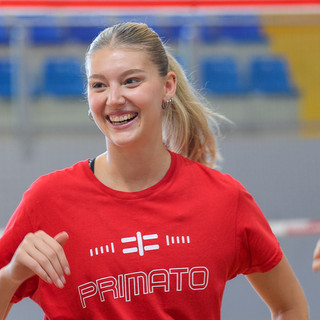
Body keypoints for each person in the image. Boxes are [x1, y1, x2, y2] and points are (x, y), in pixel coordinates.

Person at [0, 22, 309, 320]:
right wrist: (12, 275)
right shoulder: (48, 200)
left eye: (131, 81)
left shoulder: (225, 199)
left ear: (168, 87)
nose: (115, 99)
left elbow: (290, 307)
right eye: (99, 85)